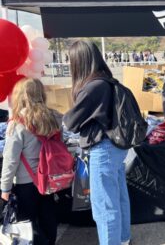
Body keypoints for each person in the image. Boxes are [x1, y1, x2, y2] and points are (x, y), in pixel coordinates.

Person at [63, 41, 131, 245]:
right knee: (118, 197)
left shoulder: (92, 87)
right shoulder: (108, 81)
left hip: (103, 148)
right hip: (117, 146)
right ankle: (123, 239)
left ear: (79, 61)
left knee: (104, 205)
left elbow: (71, 122)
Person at [1, 78, 61, 245]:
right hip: (49, 179)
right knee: (48, 218)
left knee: (26, 225)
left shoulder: (18, 124)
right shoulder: (54, 117)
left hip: (26, 182)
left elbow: (10, 160)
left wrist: (5, 188)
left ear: (20, 96)